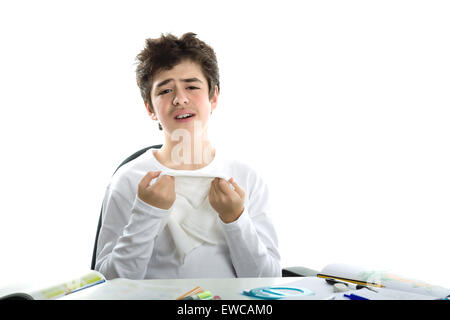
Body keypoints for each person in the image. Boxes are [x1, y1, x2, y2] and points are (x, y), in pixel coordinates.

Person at [95, 32, 281, 279]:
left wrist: (235, 218)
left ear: (213, 97)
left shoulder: (246, 178)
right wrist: (147, 212)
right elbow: (107, 286)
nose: (180, 98)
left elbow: (269, 282)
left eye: (192, 87)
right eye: (165, 91)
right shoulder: (129, 180)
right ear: (150, 108)